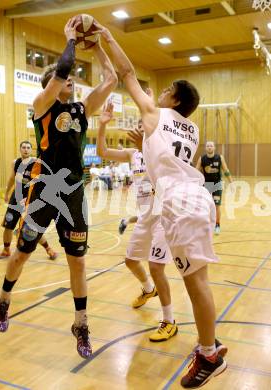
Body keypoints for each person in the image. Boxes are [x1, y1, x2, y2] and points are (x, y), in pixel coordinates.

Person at [95, 24, 227, 388]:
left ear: (174, 101)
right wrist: (146, 144)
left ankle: (209, 355)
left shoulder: (156, 114)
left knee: (196, 282)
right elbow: (164, 159)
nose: (161, 92)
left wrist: (107, 37)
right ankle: (209, 341)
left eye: (167, 90)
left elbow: (126, 73)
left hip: (179, 203)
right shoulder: (191, 129)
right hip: (191, 197)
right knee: (196, 279)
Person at [0, 17, 117, 360]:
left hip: (74, 193)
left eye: (72, 80)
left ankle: (80, 322)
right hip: (44, 190)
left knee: (77, 263)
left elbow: (111, 79)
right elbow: (63, 67)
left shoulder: (81, 109)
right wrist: (70, 40)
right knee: (22, 253)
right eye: (66, 80)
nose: (72, 81)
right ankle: (4, 299)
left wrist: (101, 45)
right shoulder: (41, 107)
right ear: (52, 85)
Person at [97, 101, 177, 342]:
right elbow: (102, 153)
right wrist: (101, 126)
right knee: (131, 261)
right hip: (144, 216)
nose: (141, 127)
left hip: (163, 215)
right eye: (139, 124)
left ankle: (169, 320)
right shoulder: (133, 154)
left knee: (156, 267)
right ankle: (148, 289)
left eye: (145, 124)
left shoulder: (162, 148)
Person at [0, 141, 58, 261]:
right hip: (15, 199)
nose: (25, 149)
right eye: (23, 147)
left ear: (31, 150)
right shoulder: (16, 162)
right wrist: (7, 193)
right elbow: (11, 178)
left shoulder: (36, 163)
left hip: (30, 200)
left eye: (28, 148)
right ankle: (6, 250)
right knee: (8, 226)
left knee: (31, 228)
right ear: (20, 149)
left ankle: (48, 249)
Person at [196, 141, 233, 235]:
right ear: (205, 148)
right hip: (206, 185)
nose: (209, 147)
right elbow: (196, 172)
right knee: (206, 206)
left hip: (217, 185)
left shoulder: (220, 157)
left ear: (214, 148)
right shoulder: (202, 159)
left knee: (217, 206)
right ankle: (206, 224)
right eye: (208, 146)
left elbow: (226, 170)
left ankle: (217, 225)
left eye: (211, 146)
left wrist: (231, 182)